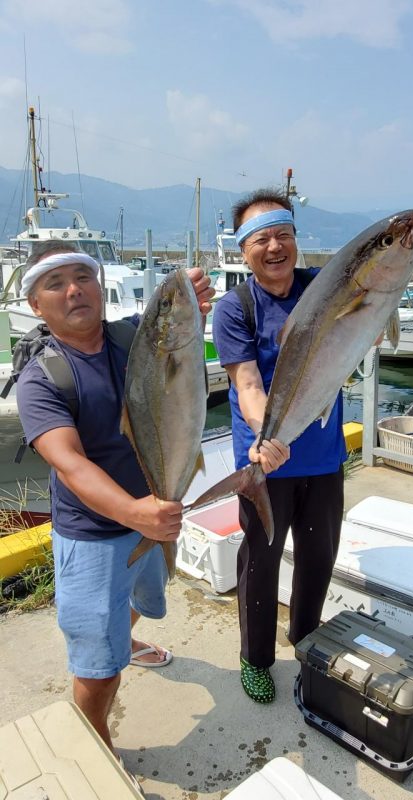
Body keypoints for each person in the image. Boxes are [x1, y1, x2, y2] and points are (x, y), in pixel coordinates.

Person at [16, 241, 214, 778]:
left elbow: (176, 319)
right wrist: (136, 513)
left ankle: (122, 637)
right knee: (97, 671)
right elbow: (71, 466)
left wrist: (193, 296)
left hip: (151, 510)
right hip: (95, 535)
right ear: (36, 305)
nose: (73, 289)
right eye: (55, 284)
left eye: (83, 275)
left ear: (100, 285)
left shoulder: (133, 336)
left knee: (143, 599)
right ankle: (96, 752)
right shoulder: (43, 379)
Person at [212, 188, 347, 704]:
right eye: (261, 238)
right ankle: (256, 658)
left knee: (318, 555)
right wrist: (266, 438)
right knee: (261, 562)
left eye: (283, 235)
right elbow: (247, 384)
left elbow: (361, 328)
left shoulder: (322, 290)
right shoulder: (235, 308)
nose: (275, 247)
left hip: (325, 456)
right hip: (265, 461)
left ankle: (306, 637)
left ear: (295, 239)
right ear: (244, 249)